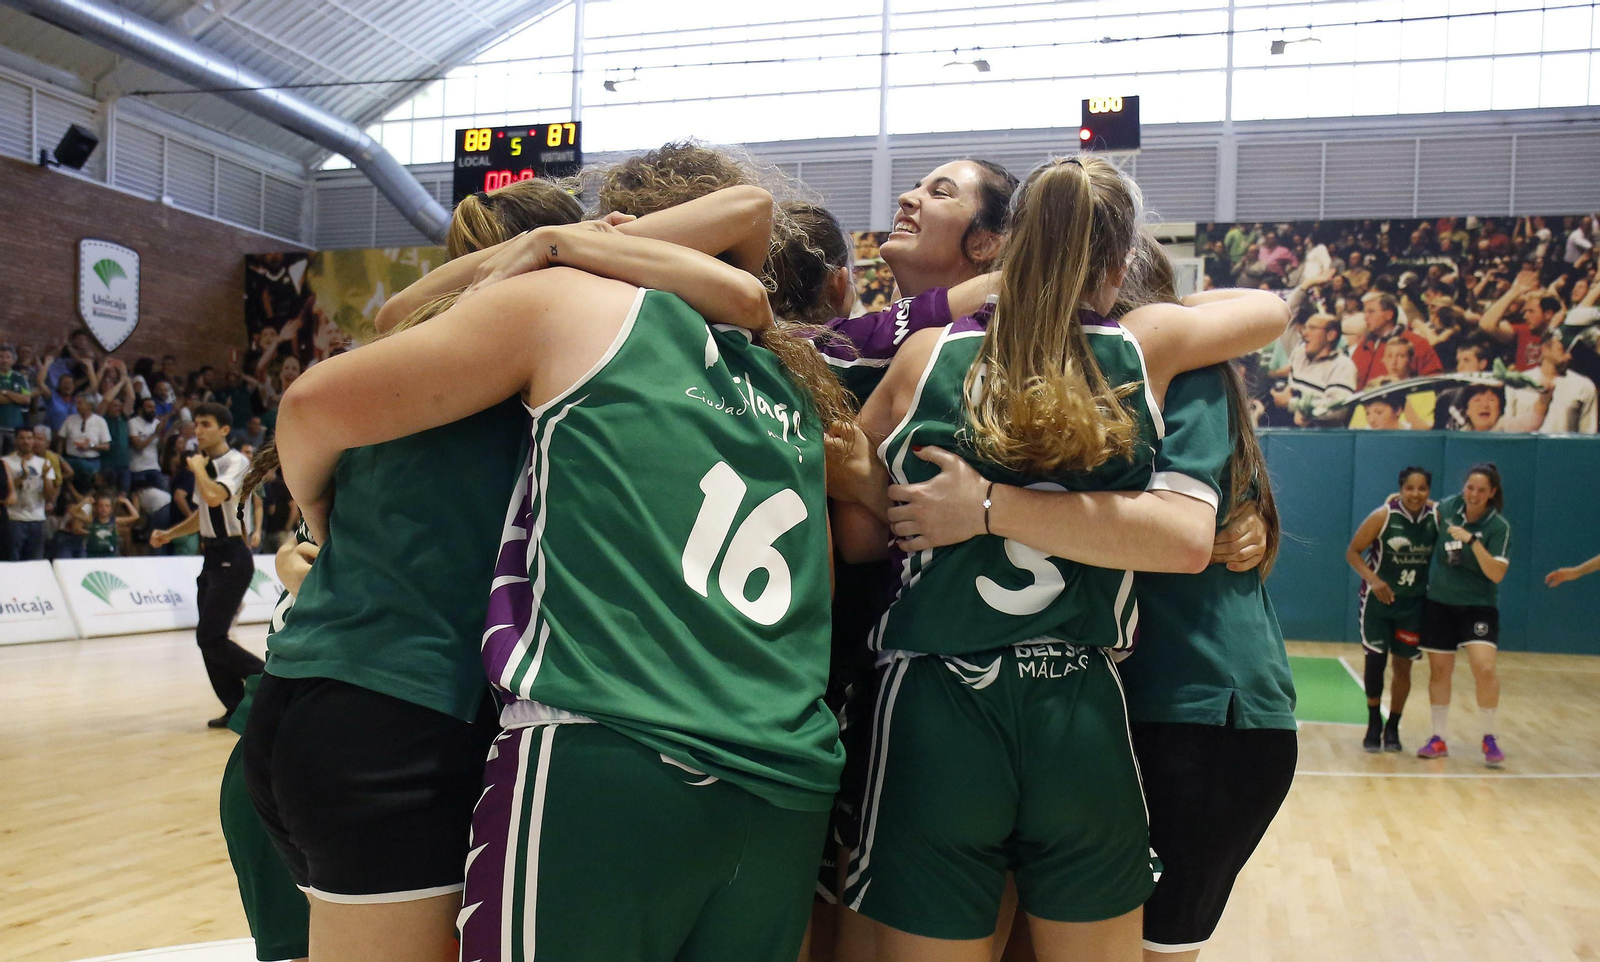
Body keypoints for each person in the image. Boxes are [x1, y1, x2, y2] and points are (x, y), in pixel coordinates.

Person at [252, 170, 835, 962]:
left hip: (308, 695)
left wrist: (315, 515)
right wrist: (569, 247)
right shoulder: (571, 338)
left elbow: (375, 331)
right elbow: (747, 265)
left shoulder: (425, 341)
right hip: (412, 713)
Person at [827, 156, 1288, 962]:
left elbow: (861, 536)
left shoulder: (924, 356)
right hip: (1078, 696)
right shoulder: (1142, 347)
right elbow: (1272, 310)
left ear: (1007, 246)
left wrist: (923, 500)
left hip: (938, 696)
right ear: (1117, 265)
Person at [1105, 239, 1298, 962]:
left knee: (1153, 948)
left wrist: (1170, 323)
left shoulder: (1185, 371)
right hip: (1163, 707)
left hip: (1203, 714)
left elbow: (1183, 541)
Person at [149, 403, 265, 728]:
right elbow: (203, 514)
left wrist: (198, 469)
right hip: (212, 557)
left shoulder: (236, 462)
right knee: (208, 640)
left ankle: (269, 681)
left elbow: (215, 497)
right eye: (196, 424)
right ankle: (236, 708)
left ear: (224, 430)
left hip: (233, 554)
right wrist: (169, 534)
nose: (198, 430)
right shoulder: (207, 465)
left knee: (211, 637)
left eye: (206, 424)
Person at [1417, 464, 1511, 767]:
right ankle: (1438, 737)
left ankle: (1489, 736)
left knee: (1484, 668)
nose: (1474, 494)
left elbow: (1496, 573)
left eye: (1481, 490)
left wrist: (1472, 541)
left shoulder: (1498, 527)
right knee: (1439, 671)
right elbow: (1429, 507)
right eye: (1470, 487)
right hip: (1440, 603)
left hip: (1478, 606)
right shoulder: (1448, 508)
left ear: (1491, 493)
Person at [1346, 467, 1438, 752]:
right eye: (1409, 488)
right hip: (1378, 603)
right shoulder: (1383, 516)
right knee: (1375, 662)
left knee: (1403, 665)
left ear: (1429, 491)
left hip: (1412, 605)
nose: (1415, 494)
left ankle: (1394, 726)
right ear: (1400, 489)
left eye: (1422, 488)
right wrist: (1374, 580)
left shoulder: (1435, 518)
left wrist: (1430, 504)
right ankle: (1374, 721)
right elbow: (1352, 552)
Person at [1270, 313, 1356, 427]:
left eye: (1312, 328)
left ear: (1330, 335)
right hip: (1282, 420)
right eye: (1305, 328)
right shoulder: (1300, 353)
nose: (1304, 333)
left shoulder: (1342, 366)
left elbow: (1338, 409)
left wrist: (1293, 404)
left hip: (1315, 430)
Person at [1478, 270, 1563, 371]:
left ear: (1548, 314)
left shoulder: (1561, 335)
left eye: (1531, 311)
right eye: (1525, 311)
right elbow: (1486, 324)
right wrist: (1515, 291)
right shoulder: (1523, 330)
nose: (1525, 316)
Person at [1352, 294, 1442, 388]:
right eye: (1365, 312)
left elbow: (1433, 380)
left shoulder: (1417, 343)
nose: (1365, 317)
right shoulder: (1364, 345)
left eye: (1371, 312)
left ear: (1388, 315)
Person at [2, 426, 55, 560]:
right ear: (16, 440)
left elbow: (50, 497)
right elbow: (4, 491)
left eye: (29, 438)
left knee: (34, 563)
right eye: (22, 438)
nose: (26, 441)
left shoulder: (44, 463)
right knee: (12, 561)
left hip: (37, 518)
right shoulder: (6, 462)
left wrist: (45, 477)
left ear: (34, 440)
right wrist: (21, 478)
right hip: (14, 518)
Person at [79, 492, 139, 557]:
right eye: (101, 506)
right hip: (92, 556)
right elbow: (73, 512)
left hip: (110, 556)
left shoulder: (115, 521)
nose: (104, 509)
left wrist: (126, 501)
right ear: (96, 508)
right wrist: (84, 502)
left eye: (107, 506)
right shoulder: (91, 520)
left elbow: (135, 516)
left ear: (111, 509)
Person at [127, 396, 167, 491]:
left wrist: (163, 435)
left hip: (154, 467)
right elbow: (138, 446)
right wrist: (155, 434)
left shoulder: (156, 423)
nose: (153, 410)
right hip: (138, 468)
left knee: (163, 494)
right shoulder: (133, 422)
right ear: (140, 410)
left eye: (153, 407)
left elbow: (161, 447)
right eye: (149, 407)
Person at [0, 343, 31, 454]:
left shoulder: (20, 377)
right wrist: (16, 398)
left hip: (15, 426)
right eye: (1, 357)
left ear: (13, 360)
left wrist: (5, 392)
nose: (4, 360)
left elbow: (26, 399)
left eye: (7, 357)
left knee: (14, 458)